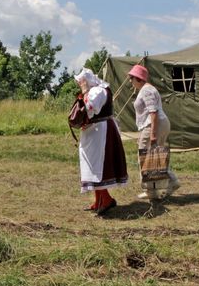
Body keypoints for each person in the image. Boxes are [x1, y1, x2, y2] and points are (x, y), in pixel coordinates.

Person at [75, 68, 129, 214]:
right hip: (95, 131)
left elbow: (91, 108)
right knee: (92, 165)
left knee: (97, 166)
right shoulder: (97, 90)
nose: (79, 84)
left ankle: (107, 200)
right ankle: (99, 200)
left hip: (101, 132)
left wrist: (85, 91)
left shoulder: (97, 91)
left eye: (81, 81)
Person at [128, 64, 180, 212]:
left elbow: (153, 112)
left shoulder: (147, 90)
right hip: (156, 124)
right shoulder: (148, 89)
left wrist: (152, 134)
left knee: (145, 158)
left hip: (153, 125)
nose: (130, 81)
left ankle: (151, 191)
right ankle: (171, 182)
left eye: (132, 78)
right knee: (155, 157)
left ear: (138, 78)